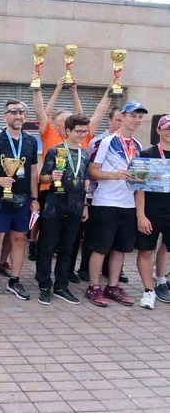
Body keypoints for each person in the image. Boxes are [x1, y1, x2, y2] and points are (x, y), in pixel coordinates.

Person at [30, 79, 111, 262]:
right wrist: (57, 88)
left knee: (71, 240)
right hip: (51, 193)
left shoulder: (83, 138)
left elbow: (95, 114)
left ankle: (66, 273)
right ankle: (41, 268)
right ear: (58, 125)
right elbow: (41, 112)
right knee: (48, 238)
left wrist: (109, 88)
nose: (72, 125)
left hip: (75, 195)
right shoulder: (49, 135)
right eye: (65, 122)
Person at [0, 100, 39, 301]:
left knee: (19, 239)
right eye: (13, 112)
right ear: (5, 116)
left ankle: (14, 280)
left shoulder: (31, 141)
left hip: (23, 198)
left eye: (21, 112)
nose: (18, 116)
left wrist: (35, 198)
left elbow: (33, 172)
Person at [85, 101, 145, 307]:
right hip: (106, 202)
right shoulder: (107, 142)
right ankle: (94, 286)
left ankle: (112, 286)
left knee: (120, 248)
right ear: (123, 117)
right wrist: (114, 175)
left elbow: (140, 180)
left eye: (140, 117)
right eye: (133, 116)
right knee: (100, 247)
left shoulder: (138, 145)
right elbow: (92, 171)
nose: (136, 120)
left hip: (128, 204)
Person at [36, 114, 90, 305]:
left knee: (68, 248)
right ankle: (44, 285)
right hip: (54, 206)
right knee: (48, 247)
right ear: (68, 131)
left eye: (85, 131)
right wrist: (51, 177)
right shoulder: (55, 151)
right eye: (78, 131)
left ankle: (61, 285)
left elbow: (84, 180)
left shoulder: (85, 154)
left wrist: (85, 206)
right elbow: (42, 177)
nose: (82, 135)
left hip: (76, 206)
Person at [76, 107, 125, 282]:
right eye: (118, 120)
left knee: (115, 236)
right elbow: (89, 169)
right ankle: (85, 268)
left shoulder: (130, 143)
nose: (121, 123)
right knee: (94, 236)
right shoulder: (99, 141)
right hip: (96, 194)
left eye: (123, 120)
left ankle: (110, 269)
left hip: (120, 196)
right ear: (110, 120)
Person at [134, 115, 170, 309]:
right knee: (146, 249)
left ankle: (161, 280)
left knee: (166, 247)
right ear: (158, 130)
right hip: (151, 211)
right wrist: (141, 215)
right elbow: (138, 187)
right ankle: (148, 290)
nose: (169, 132)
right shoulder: (145, 154)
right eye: (166, 128)